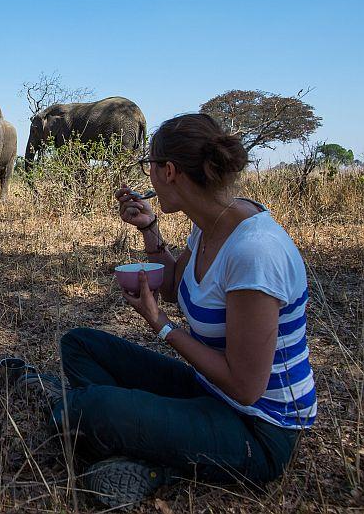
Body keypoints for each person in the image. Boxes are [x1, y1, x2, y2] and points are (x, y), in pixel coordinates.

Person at [17, 113, 315, 508]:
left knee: (84, 410)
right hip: (208, 391)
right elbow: (175, 286)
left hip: (258, 429)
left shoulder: (254, 252)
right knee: (78, 345)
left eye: (149, 165)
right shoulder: (211, 220)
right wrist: (149, 230)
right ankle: (130, 427)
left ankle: (148, 457)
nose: (149, 175)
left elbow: (246, 387)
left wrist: (161, 326)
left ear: (169, 171)